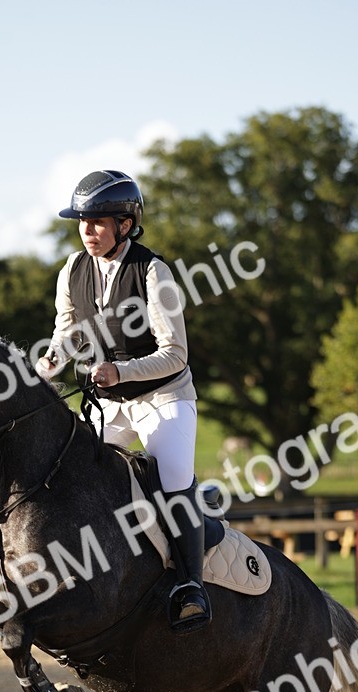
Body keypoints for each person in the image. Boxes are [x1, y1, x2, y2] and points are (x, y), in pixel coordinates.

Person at [36, 169, 210, 632]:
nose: (87, 230)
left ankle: (190, 587)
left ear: (126, 224)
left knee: (172, 475)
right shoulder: (72, 269)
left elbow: (175, 353)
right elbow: (67, 332)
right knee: (69, 474)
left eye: (97, 221)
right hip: (107, 403)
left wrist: (122, 371)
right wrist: (46, 366)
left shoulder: (154, 272)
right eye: (82, 222)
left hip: (162, 397)